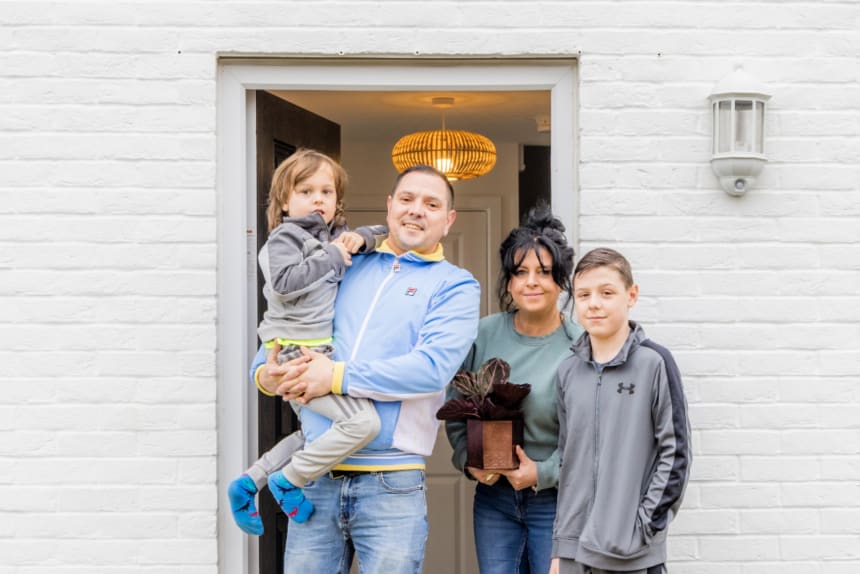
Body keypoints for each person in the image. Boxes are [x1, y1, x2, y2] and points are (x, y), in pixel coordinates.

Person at [252, 164, 481, 573]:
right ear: (390, 206)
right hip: (315, 479)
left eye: (431, 204)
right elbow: (289, 325)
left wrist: (335, 376)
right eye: (407, 199)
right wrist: (263, 374)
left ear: (448, 221)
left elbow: (429, 370)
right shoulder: (344, 262)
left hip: (392, 485)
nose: (416, 210)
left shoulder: (456, 286)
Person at [228, 149, 386, 535]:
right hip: (296, 352)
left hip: (317, 351)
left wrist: (359, 238)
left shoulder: (328, 236)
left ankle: (249, 482)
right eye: (306, 191)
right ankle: (287, 481)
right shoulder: (285, 238)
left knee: (312, 435)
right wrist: (334, 253)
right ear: (285, 201)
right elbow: (284, 282)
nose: (318, 199)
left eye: (327, 192)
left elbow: (381, 232)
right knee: (364, 423)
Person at [445, 206, 583, 574]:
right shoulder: (483, 334)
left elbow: (592, 436)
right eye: (520, 272)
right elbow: (455, 410)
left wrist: (543, 472)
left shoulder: (579, 346)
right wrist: (470, 463)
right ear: (508, 282)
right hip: (494, 502)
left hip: (555, 503)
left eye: (543, 272)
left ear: (561, 281)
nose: (531, 282)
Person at [551, 248, 692, 574]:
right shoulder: (567, 372)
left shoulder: (654, 363)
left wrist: (644, 527)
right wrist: (560, 548)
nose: (594, 303)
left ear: (632, 295)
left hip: (631, 553)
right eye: (584, 294)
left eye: (606, 293)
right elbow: (566, 461)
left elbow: (676, 455)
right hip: (574, 552)